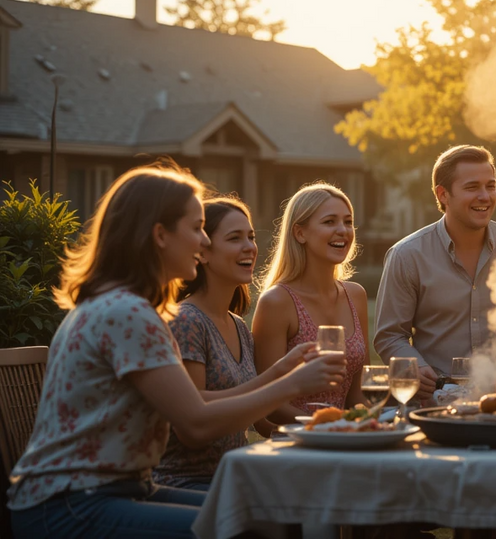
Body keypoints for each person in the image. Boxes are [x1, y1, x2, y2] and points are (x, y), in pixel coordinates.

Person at [7, 164, 346, 539]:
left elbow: (195, 406)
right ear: (160, 235)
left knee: (271, 518)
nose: (203, 243)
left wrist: (279, 373)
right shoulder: (128, 314)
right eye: (197, 228)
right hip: (69, 504)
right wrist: (291, 385)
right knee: (249, 528)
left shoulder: (126, 306)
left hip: (119, 489)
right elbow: (196, 425)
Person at [153, 196, 305, 490]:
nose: (249, 247)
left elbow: (260, 422)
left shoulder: (238, 325)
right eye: (235, 238)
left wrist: (319, 430)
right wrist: (286, 381)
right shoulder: (187, 321)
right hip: (187, 482)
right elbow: (194, 420)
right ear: (203, 253)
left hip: (233, 476)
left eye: (250, 236)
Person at [374, 145, 496, 402]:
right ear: (443, 194)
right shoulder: (407, 255)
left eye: (490, 186)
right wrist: (414, 366)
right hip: (434, 402)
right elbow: (390, 336)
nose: (485, 196)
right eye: (472, 187)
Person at [252, 182, 370, 416]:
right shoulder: (277, 302)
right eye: (329, 222)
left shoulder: (355, 295)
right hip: (294, 443)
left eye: (348, 222)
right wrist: (322, 426)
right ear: (300, 233)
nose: (343, 230)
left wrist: (371, 420)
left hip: (345, 439)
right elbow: (266, 407)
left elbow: (357, 396)